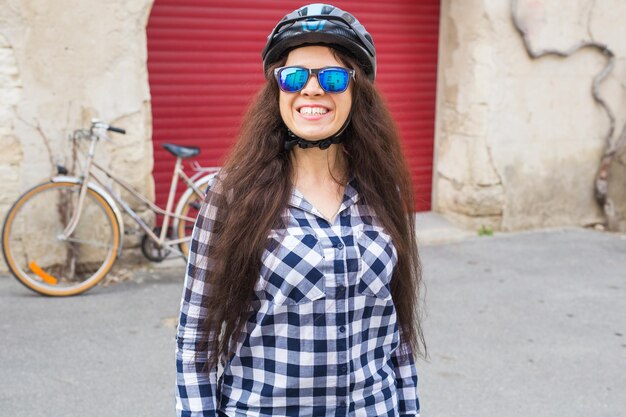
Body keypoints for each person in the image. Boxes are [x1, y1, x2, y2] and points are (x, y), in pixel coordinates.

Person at [175, 3, 426, 416]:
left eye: (331, 76)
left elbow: (395, 333)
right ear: (277, 90)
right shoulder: (233, 194)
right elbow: (196, 339)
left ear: (356, 89)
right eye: (293, 76)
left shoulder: (384, 190)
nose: (311, 89)